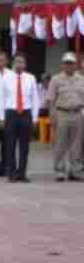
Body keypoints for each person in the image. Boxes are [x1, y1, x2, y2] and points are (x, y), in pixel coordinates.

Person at [0, 54, 38, 182]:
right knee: (10, 144)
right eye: (17, 62)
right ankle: (11, 173)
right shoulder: (6, 77)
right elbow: (2, 98)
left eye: (22, 62)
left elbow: (35, 99)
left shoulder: (30, 78)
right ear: (13, 63)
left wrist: (34, 118)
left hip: (25, 113)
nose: (19, 64)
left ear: (25, 64)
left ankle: (22, 173)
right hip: (11, 113)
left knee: (24, 145)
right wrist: (1, 117)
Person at [48, 53, 84, 182]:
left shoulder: (81, 79)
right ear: (63, 65)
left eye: (71, 63)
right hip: (62, 113)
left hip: (78, 113)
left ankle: (76, 170)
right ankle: (60, 170)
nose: (69, 65)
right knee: (60, 143)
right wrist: (52, 116)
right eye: (67, 63)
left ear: (75, 65)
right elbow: (51, 100)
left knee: (77, 145)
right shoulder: (55, 79)